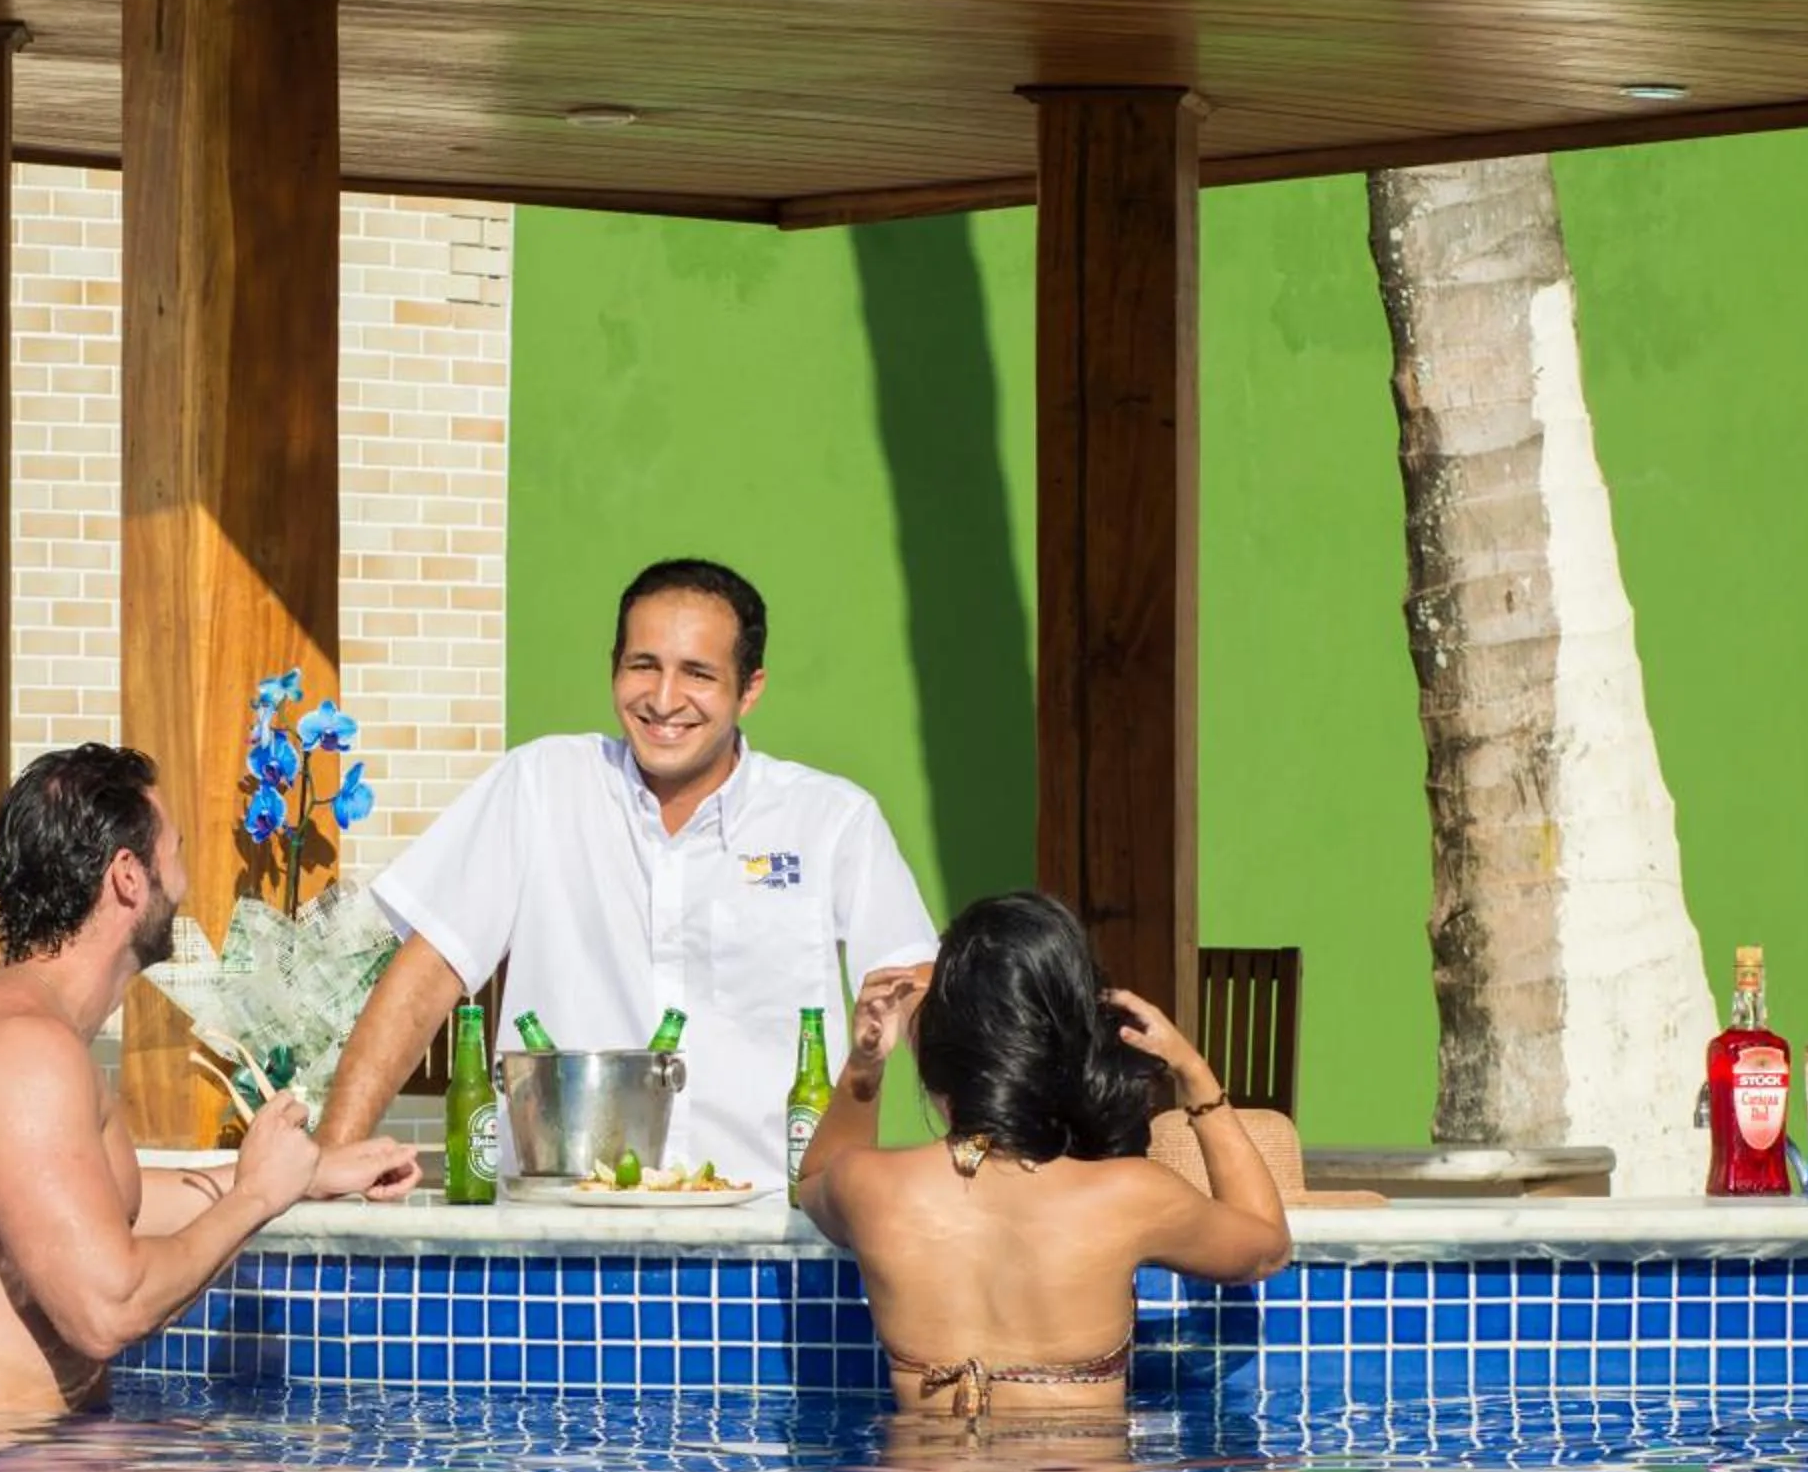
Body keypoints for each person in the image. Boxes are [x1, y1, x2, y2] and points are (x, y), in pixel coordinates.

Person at [317, 558, 940, 1189]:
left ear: (749, 689)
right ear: (614, 666)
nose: (664, 700)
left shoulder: (832, 820)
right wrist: (328, 1160)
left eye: (698, 674)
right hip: (560, 1227)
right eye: (644, 665)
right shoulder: (540, 786)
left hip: (771, 1227)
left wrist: (989, 1160)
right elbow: (429, 972)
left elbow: (914, 991)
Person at [0, 744, 420, 1419]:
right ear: (129, 877)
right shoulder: (29, 1052)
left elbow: (82, 1209)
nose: (186, 882)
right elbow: (108, 1308)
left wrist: (303, 1174)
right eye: (177, 850)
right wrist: (253, 1200)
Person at [797, 891, 1291, 1419]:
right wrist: (1195, 1075)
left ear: (942, 1043)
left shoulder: (872, 1187)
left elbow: (812, 1177)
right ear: (1070, 1046)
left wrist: (865, 1066)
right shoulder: (1130, 1194)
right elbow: (1266, 1246)